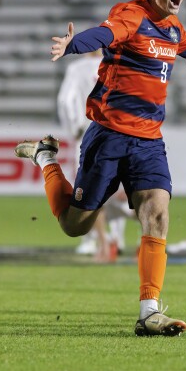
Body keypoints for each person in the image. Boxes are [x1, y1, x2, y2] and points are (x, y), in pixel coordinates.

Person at [14, 0, 186, 336]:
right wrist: (74, 44)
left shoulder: (172, 28)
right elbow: (105, 34)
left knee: (157, 211)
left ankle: (149, 311)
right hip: (109, 136)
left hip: (149, 141)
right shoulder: (132, 15)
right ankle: (45, 157)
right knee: (75, 226)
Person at [57, 50, 134, 262]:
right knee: (117, 186)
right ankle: (118, 237)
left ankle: (92, 239)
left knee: (87, 189)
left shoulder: (77, 68)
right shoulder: (121, 63)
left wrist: (73, 128)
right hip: (118, 131)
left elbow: (66, 100)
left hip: (88, 133)